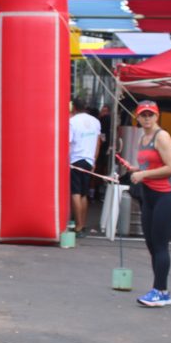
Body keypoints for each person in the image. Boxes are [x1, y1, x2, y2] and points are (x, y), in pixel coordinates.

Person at [123, 101, 171, 308]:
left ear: (157, 116)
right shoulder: (142, 137)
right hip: (149, 195)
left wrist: (143, 174)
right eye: (143, 115)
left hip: (166, 195)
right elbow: (150, 165)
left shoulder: (161, 136)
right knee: (151, 244)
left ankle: (159, 290)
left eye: (150, 115)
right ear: (137, 117)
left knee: (160, 244)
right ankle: (161, 291)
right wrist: (137, 169)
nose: (147, 118)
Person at [69, 98, 103, 238]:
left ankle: (78, 226)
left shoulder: (72, 121)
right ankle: (82, 224)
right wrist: (94, 160)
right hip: (89, 160)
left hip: (75, 160)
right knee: (84, 193)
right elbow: (98, 143)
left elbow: (68, 142)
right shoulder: (95, 121)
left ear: (74, 107)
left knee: (75, 193)